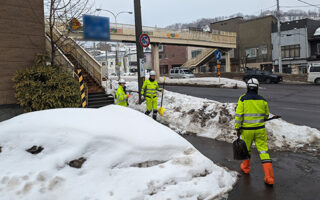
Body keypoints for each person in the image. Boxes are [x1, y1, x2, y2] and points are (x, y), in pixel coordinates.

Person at [234, 78, 274, 185]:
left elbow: (238, 115)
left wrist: (237, 127)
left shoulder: (242, 99)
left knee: (246, 150)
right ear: (257, 88)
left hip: (247, 131)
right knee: (263, 151)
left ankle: (246, 168)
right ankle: (269, 178)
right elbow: (266, 115)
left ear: (247, 87)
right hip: (260, 130)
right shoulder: (262, 99)